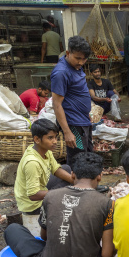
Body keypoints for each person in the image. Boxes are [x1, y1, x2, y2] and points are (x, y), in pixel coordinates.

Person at [5, 152, 114, 257]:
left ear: (73, 174)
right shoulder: (107, 203)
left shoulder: (50, 196)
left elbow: (45, 236)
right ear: (100, 176)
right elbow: (107, 254)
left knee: (13, 229)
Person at [14, 119, 73, 216]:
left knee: (65, 169)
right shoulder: (32, 162)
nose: (55, 141)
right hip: (33, 206)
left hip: (40, 188)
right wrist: (63, 192)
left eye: (55, 137)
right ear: (37, 139)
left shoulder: (44, 150)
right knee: (69, 197)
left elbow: (56, 169)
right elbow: (33, 195)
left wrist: (78, 182)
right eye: (50, 138)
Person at [51, 36, 93, 166]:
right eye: (78, 58)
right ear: (68, 53)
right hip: (74, 124)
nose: (81, 62)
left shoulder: (75, 66)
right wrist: (67, 131)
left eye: (84, 59)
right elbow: (56, 104)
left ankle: (86, 185)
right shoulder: (61, 72)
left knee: (87, 155)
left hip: (83, 120)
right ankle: (75, 185)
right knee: (78, 160)